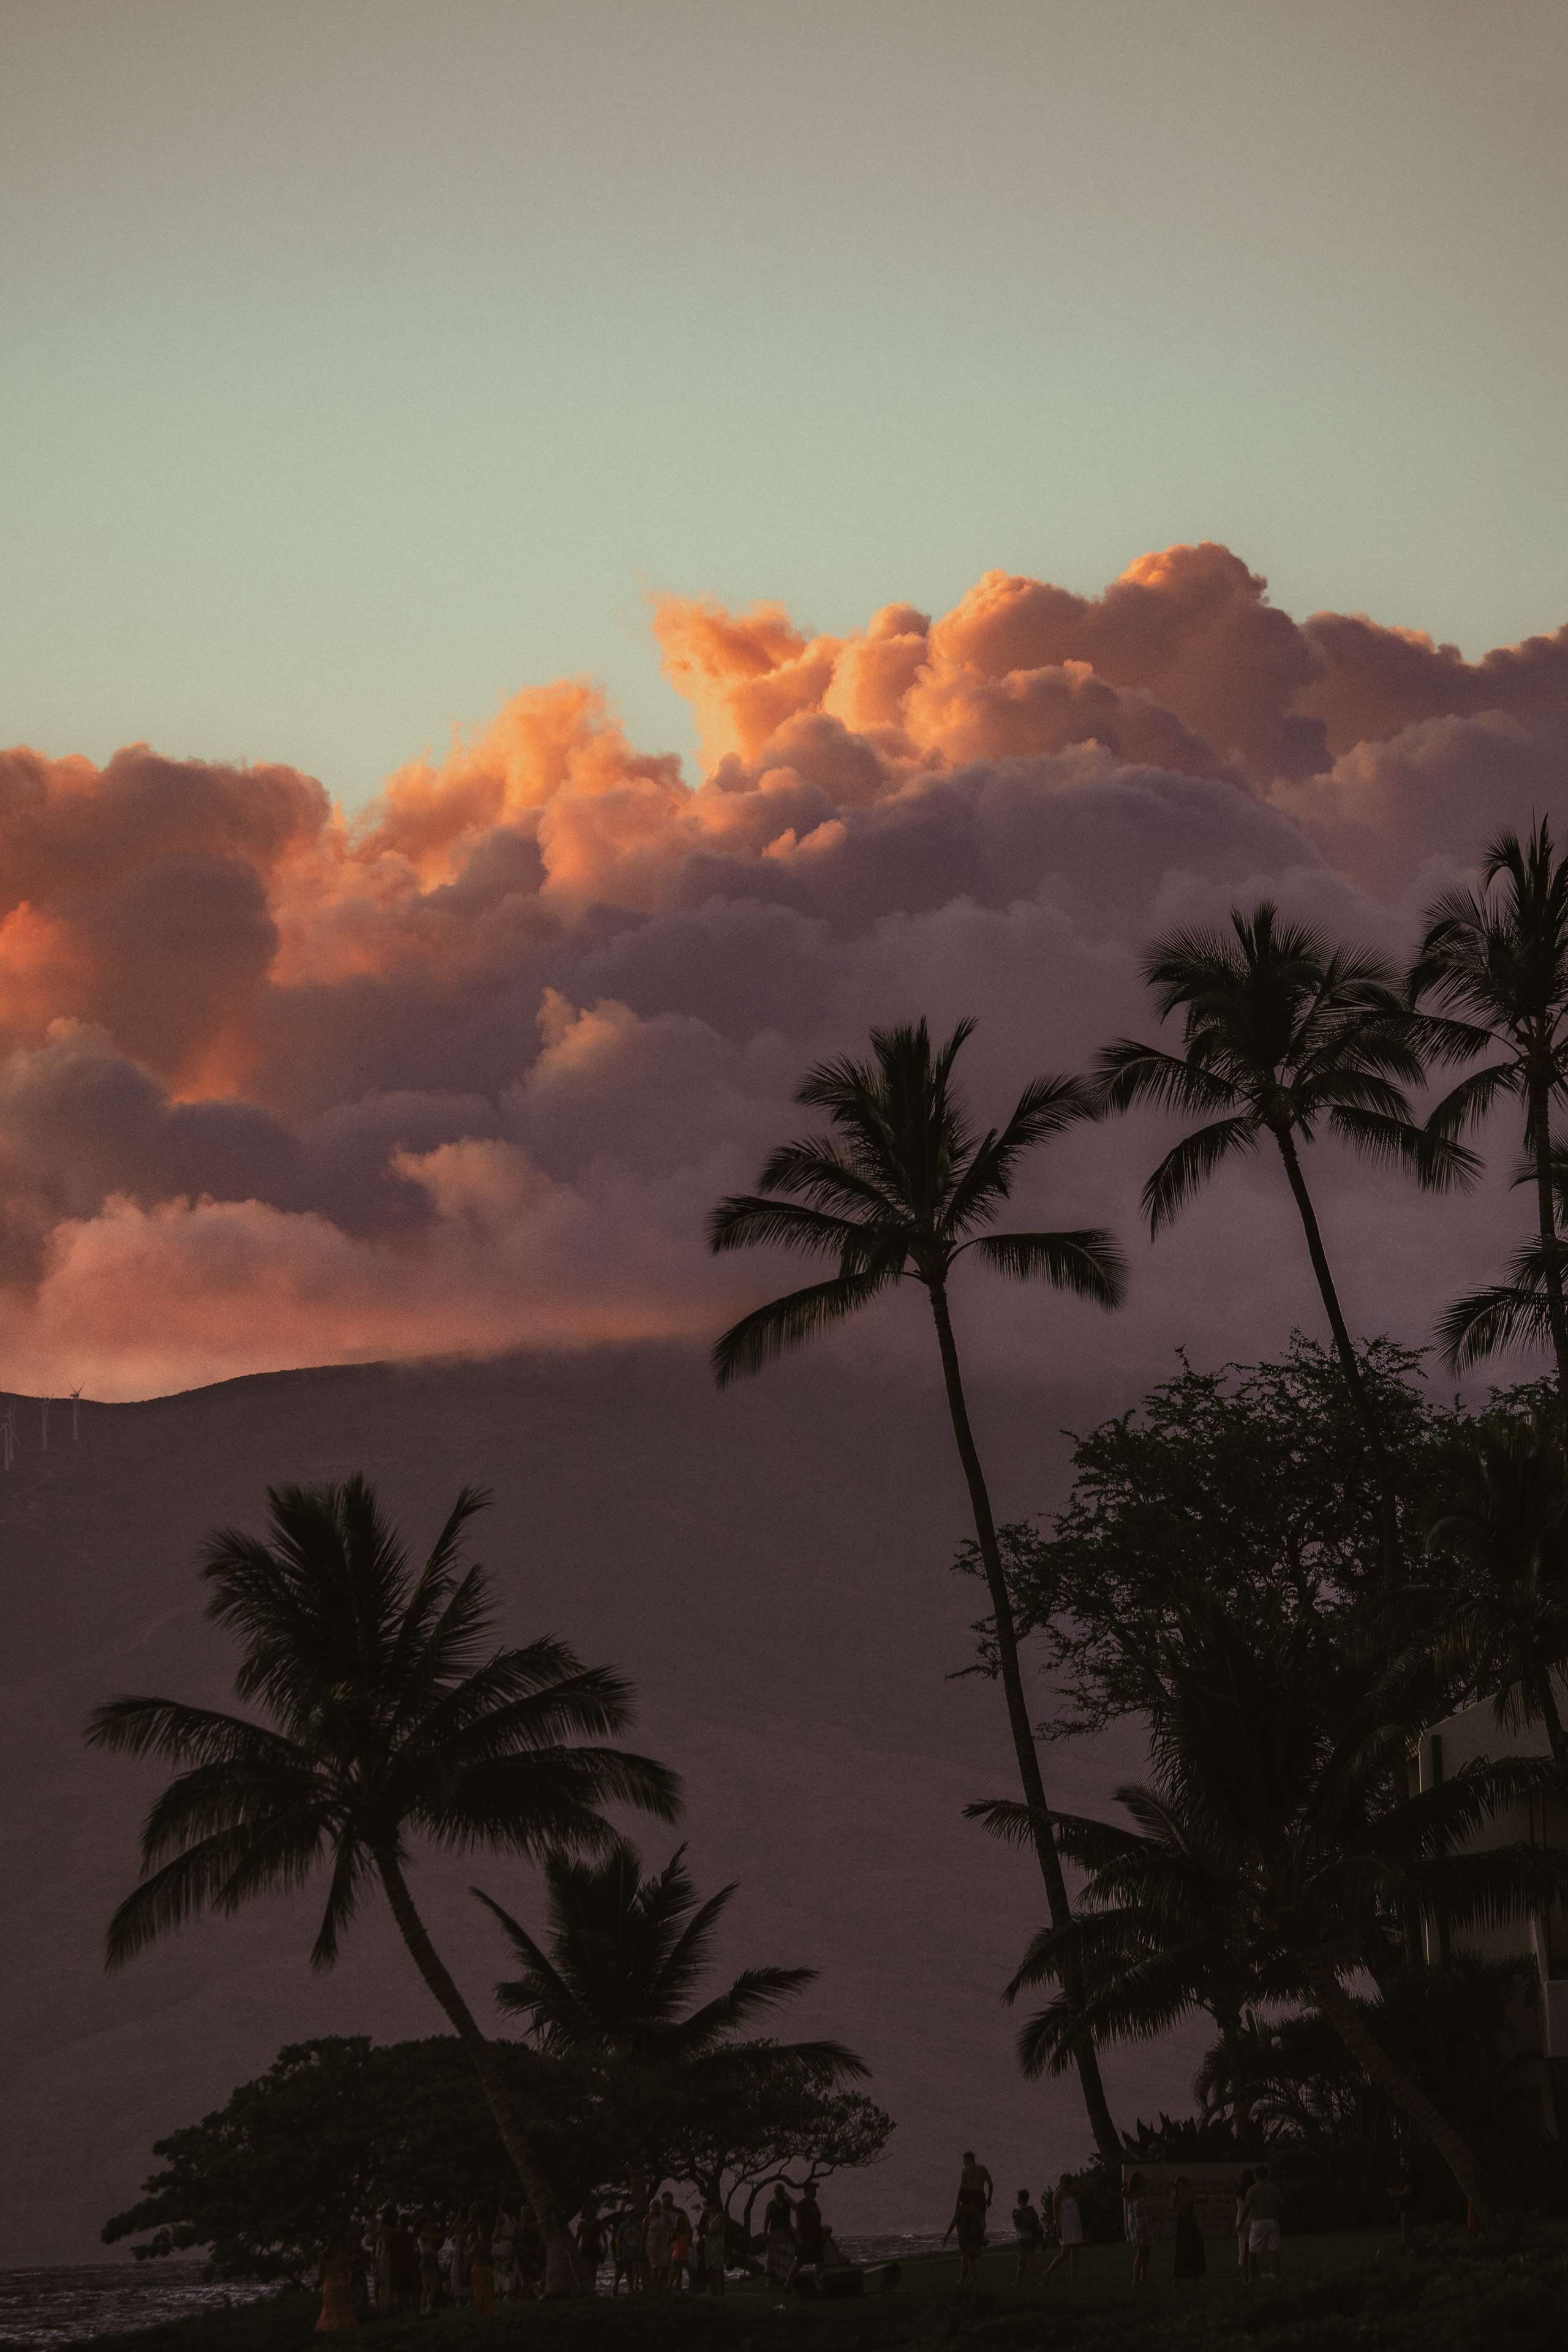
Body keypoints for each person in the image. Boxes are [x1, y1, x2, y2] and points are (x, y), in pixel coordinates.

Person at [943, 2183, 987, 2290]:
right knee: (969, 2259)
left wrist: (947, 2236)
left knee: (966, 2258)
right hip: (973, 2238)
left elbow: (953, 2223)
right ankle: (971, 2279)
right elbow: (982, 2224)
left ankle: (962, 2281)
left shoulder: (960, 2210)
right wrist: (982, 2237)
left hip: (965, 2239)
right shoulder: (974, 2209)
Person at [1245, 2165, 1283, 2281]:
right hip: (1272, 2220)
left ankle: (1252, 2278)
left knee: (1252, 2250)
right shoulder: (1274, 2188)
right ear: (1267, 2175)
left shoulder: (1252, 2189)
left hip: (1258, 2222)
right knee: (1274, 2249)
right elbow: (1281, 2204)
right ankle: (1276, 2275)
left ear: (1256, 2176)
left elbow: (1248, 2206)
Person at [1042, 2174, 1083, 2285]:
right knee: (1064, 2253)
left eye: (1069, 2182)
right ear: (1061, 2182)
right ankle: (1048, 2271)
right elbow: (1055, 2212)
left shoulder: (1071, 2193)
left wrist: (1074, 2188)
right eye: (1066, 2181)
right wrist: (1058, 2228)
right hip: (1065, 2225)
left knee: (1076, 2252)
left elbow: (1081, 2192)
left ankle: (1074, 2278)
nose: (1068, 2183)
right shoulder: (1058, 2194)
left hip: (1074, 2224)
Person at [314, 2237, 358, 2337]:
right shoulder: (342, 2256)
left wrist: (323, 2284)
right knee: (343, 2307)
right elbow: (348, 2270)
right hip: (341, 2283)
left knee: (329, 2307)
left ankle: (330, 2328)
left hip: (328, 2284)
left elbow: (321, 2274)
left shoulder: (322, 2256)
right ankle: (344, 2328)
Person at [762, 2185, 796, 2296]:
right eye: (776, 2191)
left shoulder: (787, 2203)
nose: (777, 2193)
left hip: (785, 2233)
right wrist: (765, 2233)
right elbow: (767, 2219)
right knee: (771, 2256)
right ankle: (770, 2279)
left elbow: (795, 2207)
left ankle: (785, 2277)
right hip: (774, 2232)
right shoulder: (771, 2205)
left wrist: (787, 2196)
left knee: (787, 2254)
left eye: (779, 2192)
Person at [1172, 2177, 1206, 2284]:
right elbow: (1188, 2203)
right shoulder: (1177, 2197)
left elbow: (1192, 2201)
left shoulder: (1179, 2196)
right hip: (1185, 2223)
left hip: (1189, 2222)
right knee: (1185, 2250)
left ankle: (1194, 2276)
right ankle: (1183, 2277)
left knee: (1194, 2248)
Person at [1124, 2172, 1152, 2285]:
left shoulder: (1140, 2195)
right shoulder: (1132, 2196)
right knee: (1141, 2252)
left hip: (1145, 2225)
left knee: (1147, 2252)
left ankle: (1143, 2277)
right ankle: (1136, 2279)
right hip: (1139, 2227)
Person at [1011, 2189, 1044, 2285]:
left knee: (1028, 2260)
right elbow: (1037, 2222)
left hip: (1023, 2237)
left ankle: (1043, 2277)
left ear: (1020, 2198)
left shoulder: (1017, 2210)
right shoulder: (1031, 2209)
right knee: (1023, 2260)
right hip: (1031, 2237)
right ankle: (1018, 2280)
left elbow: (1018, 2224)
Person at [644, 2192, 674, 2293]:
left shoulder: (664, 2216)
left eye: (657, 2206)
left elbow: (671, 2228)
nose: (656, 2209)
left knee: (665, 2268)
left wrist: (670, 2240)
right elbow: (643, 2234)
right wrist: (641, 2248)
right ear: (651, 2207)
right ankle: (656, 2289)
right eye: (653, 2207)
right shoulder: (647, 2219)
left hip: (665, 2246)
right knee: (655, 2268)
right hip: (652, 2247)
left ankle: (663, 2287)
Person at [794, 2185, 826, 2276]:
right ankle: (788, 2281)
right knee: (800, 2262)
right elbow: (798, 2224)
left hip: (816, 2237)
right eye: (812, 2190)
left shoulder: (814, 2204)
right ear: (806, 2192)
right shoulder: (802, 2205)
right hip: (806, 2238)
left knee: (819, 2259)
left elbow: (818, 2221)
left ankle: (818, 2279)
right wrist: (799, 2239)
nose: (815, 2192)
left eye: (815, 2190)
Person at [469, 2208, 496, 2316]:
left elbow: (471, 2253)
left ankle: (483, 2310)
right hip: (487, 2266)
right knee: (487, 2289)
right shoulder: (488, 2243)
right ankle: (487, 2310)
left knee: (480, 2289)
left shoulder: (478, 2244)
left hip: (480, 2266)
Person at [701, 2198, 728, 2295]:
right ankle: (713, 2289)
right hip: (710, 2246)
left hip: (717, 2245)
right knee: (711, 2268)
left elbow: (714, 2230)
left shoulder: (720, 2216)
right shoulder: (711, 2216)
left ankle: (720, 2290)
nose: (708, 2208)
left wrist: (705, 2231)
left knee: (718, 2268)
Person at [417, 2217, 443, 2316]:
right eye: (428, 2222)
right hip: (427, 2262)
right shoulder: (424, 2234)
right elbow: (436, 2238)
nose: (430, 2224)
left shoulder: (425, 2235)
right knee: (433, 2287)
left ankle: (423, 2309)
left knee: (427, 2288)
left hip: (425, 2262)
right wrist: (441, 2235)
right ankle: (429, 2308)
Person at [1391, 2159, 1420, 2250]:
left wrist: (1396, 2194)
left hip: (1408, 2208)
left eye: (1402, 2161)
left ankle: (1410, 2253)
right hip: (1409, 2208)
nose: (1401, 2164)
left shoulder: (1410, 2175)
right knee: (1410, 2235)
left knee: (1408, 2236)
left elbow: (1407, 2192)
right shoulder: (1410, 2174)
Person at [1234, 2169, 1255, 2282]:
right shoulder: (1252, 2191)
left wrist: (1239, 2224)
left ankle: (1246, 2277)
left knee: (1243, 2250)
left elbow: (1239, 2208)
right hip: (1252, 2220)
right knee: (1252, 2249)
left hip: (1241, 2221)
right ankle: (1253, 2275)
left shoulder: (1239, 2191)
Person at [669, 2199, 694, 2291]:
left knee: (687, 2272)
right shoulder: (677, 2233)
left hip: (683, 2255)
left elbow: (689, 2243)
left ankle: (689, 2288)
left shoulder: (687, 2233)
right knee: (680, 2273)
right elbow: (672, 2238)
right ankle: (677, 2289)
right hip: (678, 2256)